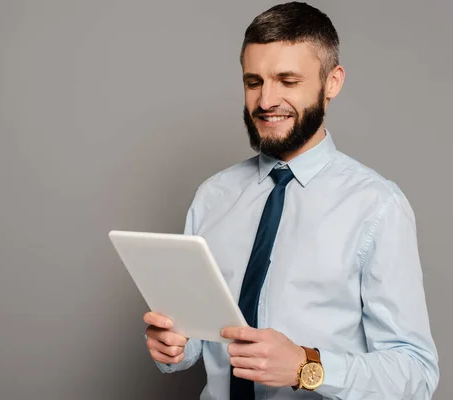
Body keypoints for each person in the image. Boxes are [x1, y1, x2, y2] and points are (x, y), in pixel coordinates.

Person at [142, 2, 439, 399]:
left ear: (332, 82)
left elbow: (417, 375)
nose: (266, 100)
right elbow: (196, 337)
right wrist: (174, 347)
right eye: (254, 81)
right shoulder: (213, 196)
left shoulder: (377, 206)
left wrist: (306, 366)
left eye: (287, 81)